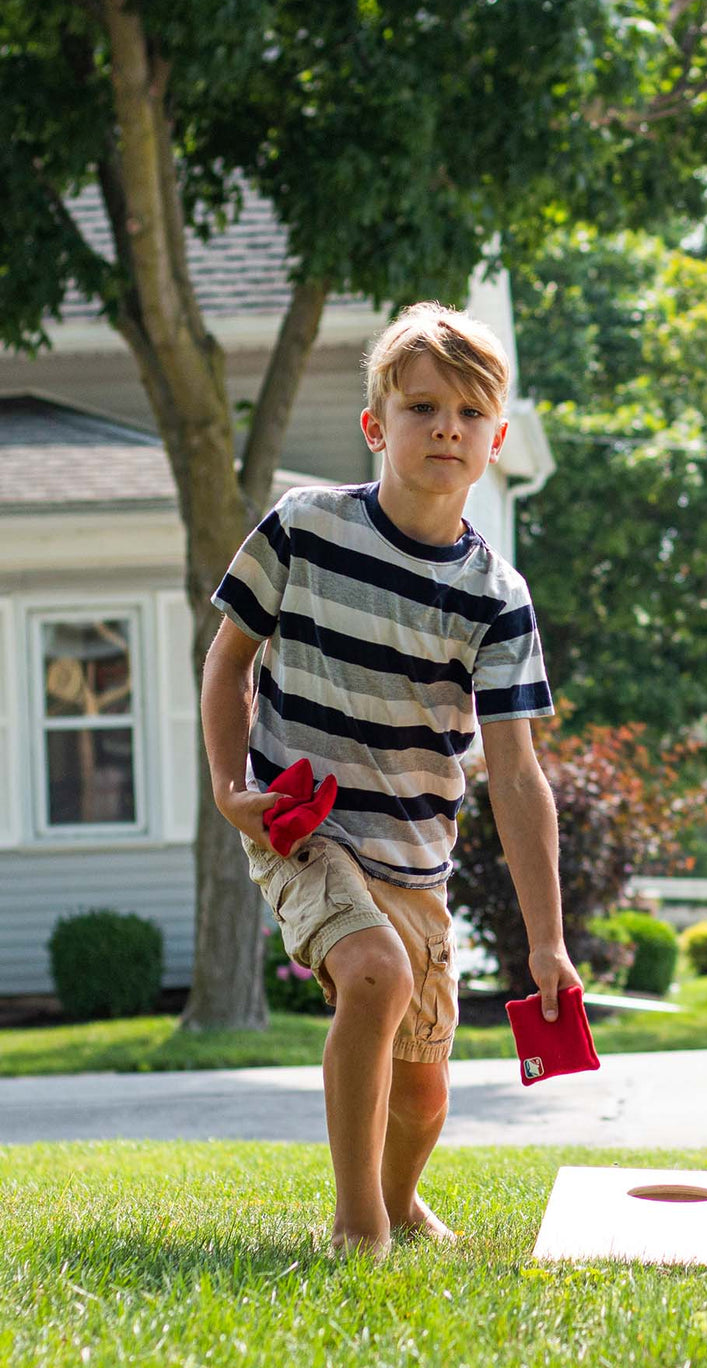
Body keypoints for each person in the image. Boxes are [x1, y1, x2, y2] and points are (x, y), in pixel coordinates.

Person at [202, 301, 580, 1257]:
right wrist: (225, 785)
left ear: (495, 439)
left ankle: (399, 1199)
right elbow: (227, 661)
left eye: (467, 412)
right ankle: (356, 1226)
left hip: (417, 858)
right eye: (421, 407)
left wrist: (546, 946)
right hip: (302, 826)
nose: (445, 426)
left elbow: (517, 776)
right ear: (378, 424)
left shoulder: (497, 599)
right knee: (373, 972)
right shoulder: (303, 530)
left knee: (423, 1093)